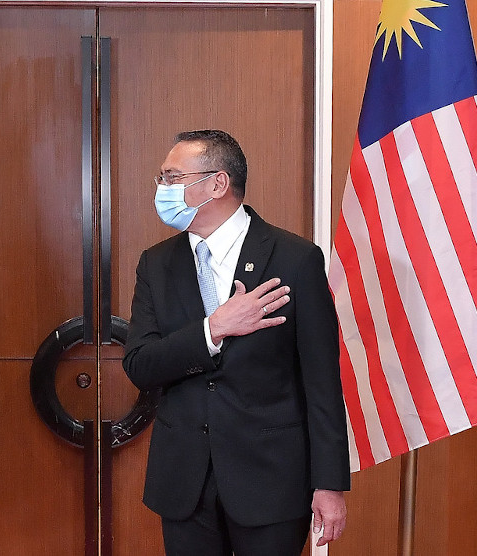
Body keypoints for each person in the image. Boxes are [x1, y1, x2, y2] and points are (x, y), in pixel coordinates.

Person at [123, 130, 350, 556]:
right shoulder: (156, 263)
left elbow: (322, 383)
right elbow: (140, 364)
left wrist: (330, 484)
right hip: (184, 482)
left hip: (271, 481)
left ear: (217, 184)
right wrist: (213, 329)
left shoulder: (295, 258)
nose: (161, 189)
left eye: (172, 177)